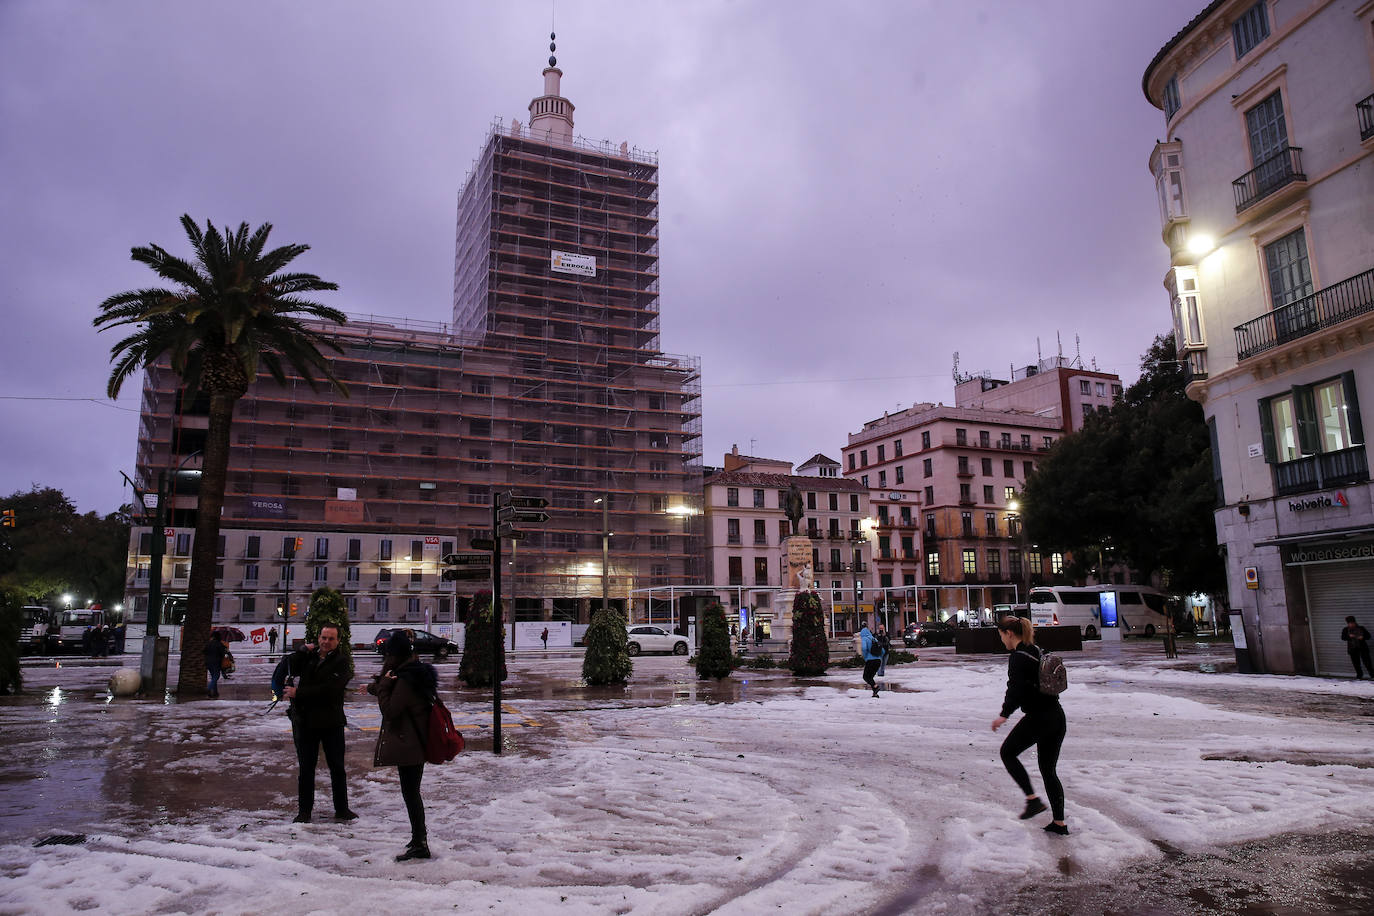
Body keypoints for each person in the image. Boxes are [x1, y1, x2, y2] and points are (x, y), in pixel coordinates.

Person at [992, 616, 1068, 835]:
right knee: (1048, 770)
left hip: (1039, 718)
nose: (1002, 641)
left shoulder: (1017, 657)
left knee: (1007, 752)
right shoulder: (1035, 650)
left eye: (1001, 635)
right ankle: (1059, 823)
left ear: (1009, 633)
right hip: (1056, 716)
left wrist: (1004, 715)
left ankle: (1032, 800)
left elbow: (1015, 689)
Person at [368, 631, 439, 861]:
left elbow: (391, 711)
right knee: (411, 793)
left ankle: (420, 843)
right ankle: (418, 838)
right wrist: (378, 685)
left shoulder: (406, 679)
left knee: (411, 794)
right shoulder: (412, 673)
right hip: (413, 742)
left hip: (411, 745)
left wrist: (384, 686)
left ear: (394, 654)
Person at [284, 624, 356, 824]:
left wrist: (300, 693)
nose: (326, 642)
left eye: (331, 638)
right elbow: (288, 665)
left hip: (331, 722)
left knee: (337, 767)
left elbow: (330, 690)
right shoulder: (309, 657)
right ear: (318, 638)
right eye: (323, 637)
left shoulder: (342, 662)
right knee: (306, 768)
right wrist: (300, 651)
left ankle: (342, 809)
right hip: (306, 722)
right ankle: (304, 811)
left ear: (338, 641)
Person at [859, 621, 884, 697]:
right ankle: (875, 692)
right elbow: (882, 650)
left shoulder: (864, 639)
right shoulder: (874, 639)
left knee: (866, 677)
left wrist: (865, 657)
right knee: (870, 677)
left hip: (870, 661)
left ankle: (875, 687)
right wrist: (879, 657)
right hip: (878, 661)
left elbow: (864, 648)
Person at [204, 630, 228, 698]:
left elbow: (204, 651)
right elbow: (223, 654)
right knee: (216, 677)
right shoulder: (219, 644)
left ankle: (215, 692)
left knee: (213, 677)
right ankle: (209, 689)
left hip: (208, 662)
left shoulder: (209, 643)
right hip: (216, 662)